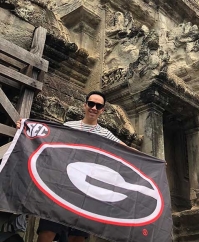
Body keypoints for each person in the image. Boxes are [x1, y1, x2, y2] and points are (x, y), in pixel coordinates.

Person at [16, 91, 130, 242]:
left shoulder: (105, 134)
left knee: (77, 237)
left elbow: (126, 150)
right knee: (48, 232)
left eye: (98, 106)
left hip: (84, 191)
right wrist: (25, 126)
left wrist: (153, 162)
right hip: (61, 186)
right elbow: (49, 137)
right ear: (85, 105)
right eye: (91, 104)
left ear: (102, 110)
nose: (94, 108)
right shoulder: (69, 126)